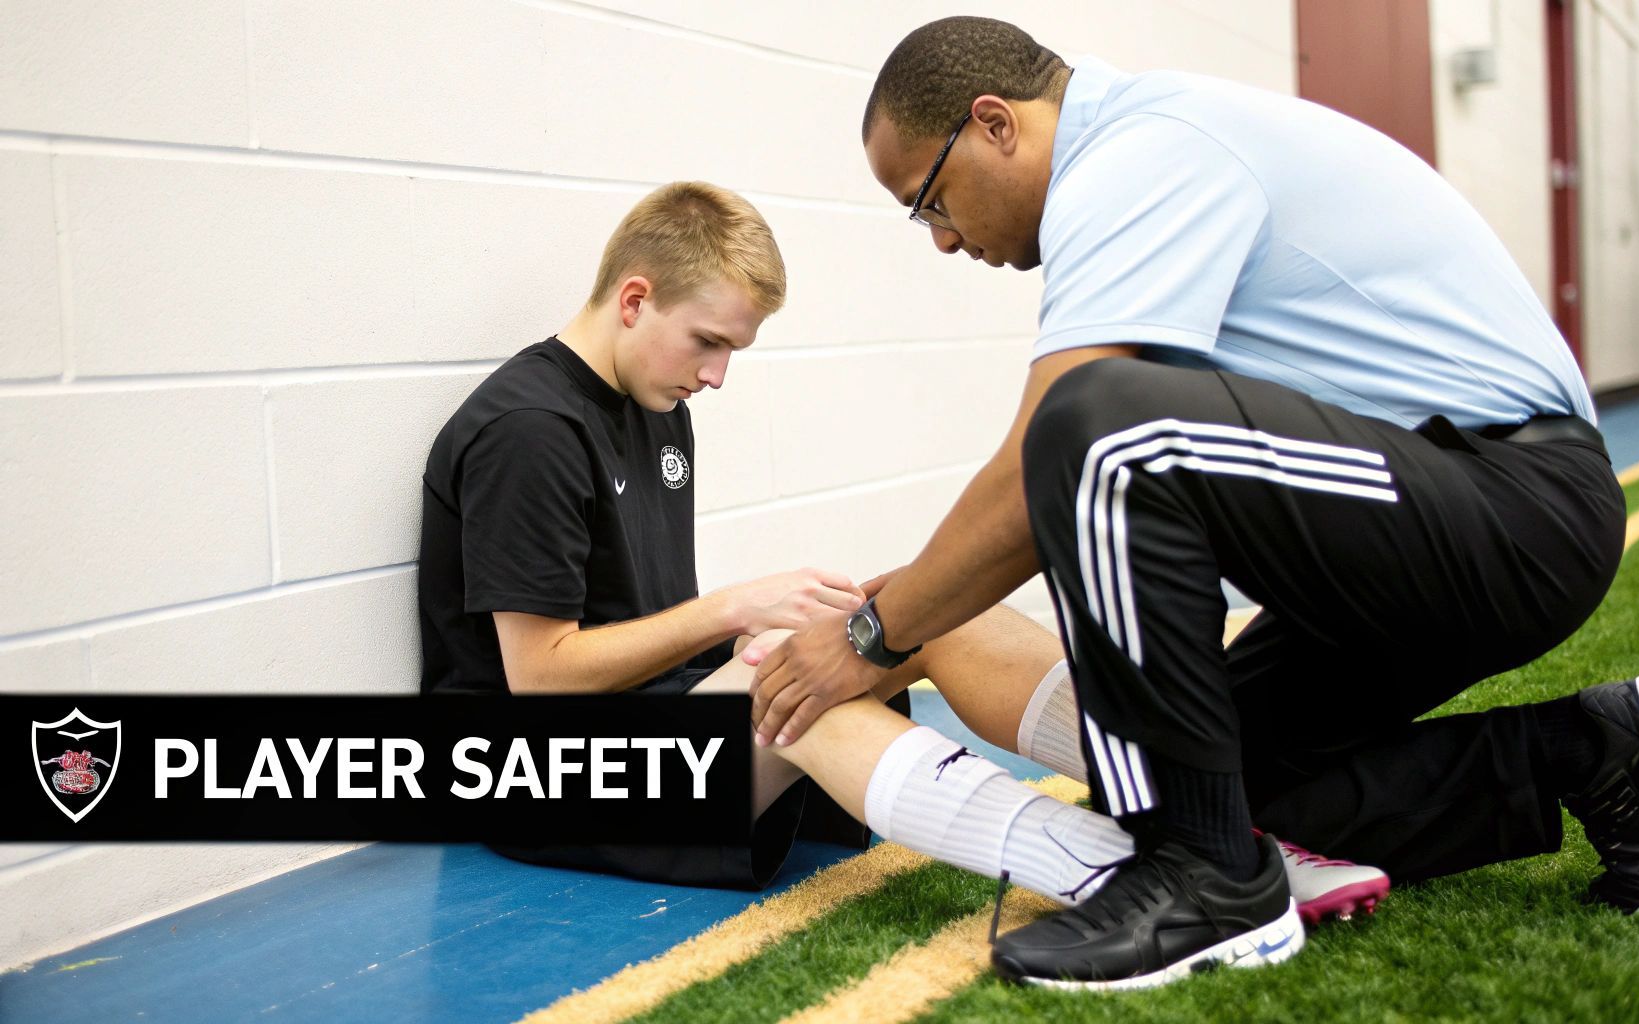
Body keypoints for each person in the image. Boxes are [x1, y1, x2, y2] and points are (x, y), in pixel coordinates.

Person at [746, 17, 1639, 990]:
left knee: (1092, 424)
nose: (946, 239)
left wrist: (871, 633)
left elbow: (1049, 468)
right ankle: (1588, 751)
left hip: (1517, 502)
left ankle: (1206, 888)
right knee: (1197, 789)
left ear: (994, 124)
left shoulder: (1139, 155)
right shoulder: (1138, 154)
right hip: (1431, 507)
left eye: (929, 200)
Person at [415, 181, 1385, 916]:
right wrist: (734, 611)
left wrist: (835, 625)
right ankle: (1142, 870)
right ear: (632, 298)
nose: (716, 377)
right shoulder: (529, 430)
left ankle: (1202, 812)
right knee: (791, 691)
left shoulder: (650, 400)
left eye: (732, 353)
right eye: (706, 342)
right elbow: (540, 683)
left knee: (910, 622)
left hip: (645, 726)